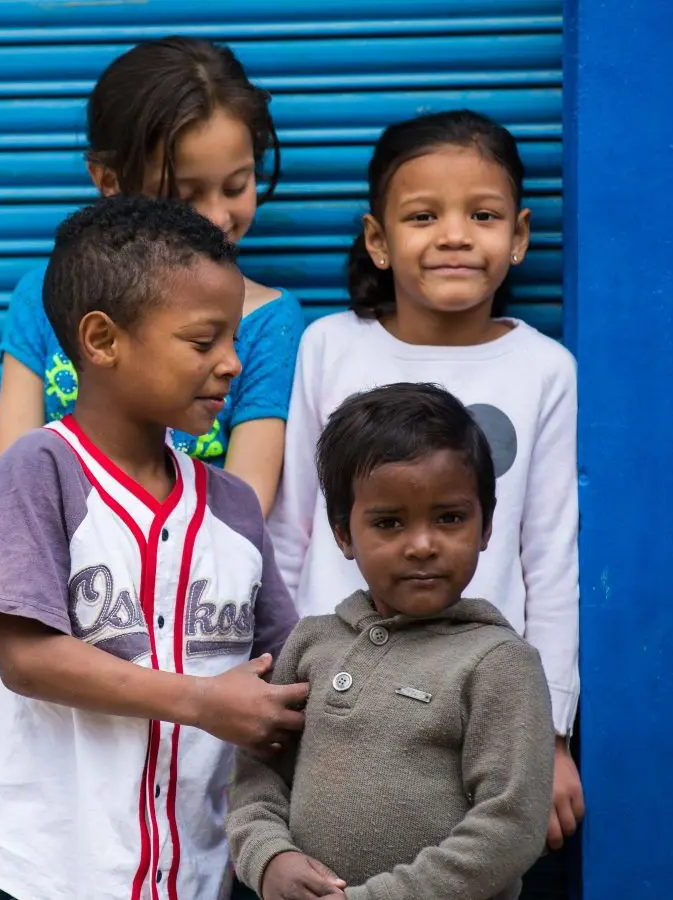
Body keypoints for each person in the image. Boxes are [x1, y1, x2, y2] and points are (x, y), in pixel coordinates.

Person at [0, 196, 307, 900]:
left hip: (189, 877)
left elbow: (282, 674)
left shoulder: (230, 507)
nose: (230, 364)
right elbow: (27, 657)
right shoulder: (38, 471)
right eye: (203, 342)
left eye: (234, 340)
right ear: (102, 340)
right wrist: (202, 701)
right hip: (29, 874)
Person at [267, 109, 584, 891]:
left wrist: (548, 733)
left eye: (481, 215)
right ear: (377, 240)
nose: (452, 235)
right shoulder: (330, 347)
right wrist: (273, 675)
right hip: (331, 687)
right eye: (422, 216)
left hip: (469, 698)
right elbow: (289, 528)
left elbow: (549, 556)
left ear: (518, 235)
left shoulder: (544, 369)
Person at [228, 383, 555, 900]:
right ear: (343, 534)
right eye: (389, 523)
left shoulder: (498, 662)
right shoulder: (312, 643)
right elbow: (258, 773)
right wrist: (270, 857)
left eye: (450, 518)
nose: (422, 545)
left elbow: (509, 829)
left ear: (487, 525)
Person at [0, 36, 305, 515]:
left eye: (237, 185)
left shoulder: (268, 321)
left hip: (196, 575)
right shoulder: (44, 298)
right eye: (186, 194)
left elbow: (247, 508)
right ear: (109, 181)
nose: (217, 216)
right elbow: (11, 483)